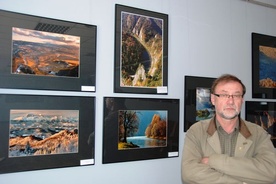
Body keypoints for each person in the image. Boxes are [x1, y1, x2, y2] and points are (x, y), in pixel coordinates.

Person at [181, 74, 276, 184]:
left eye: (236, 95)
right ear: (213, 99)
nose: (230, 101)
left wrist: (214, 161)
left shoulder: (258, 133)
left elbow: (271, 172)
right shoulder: (196, 131)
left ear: (242, 100)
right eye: (224, 95)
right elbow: (189, 174)